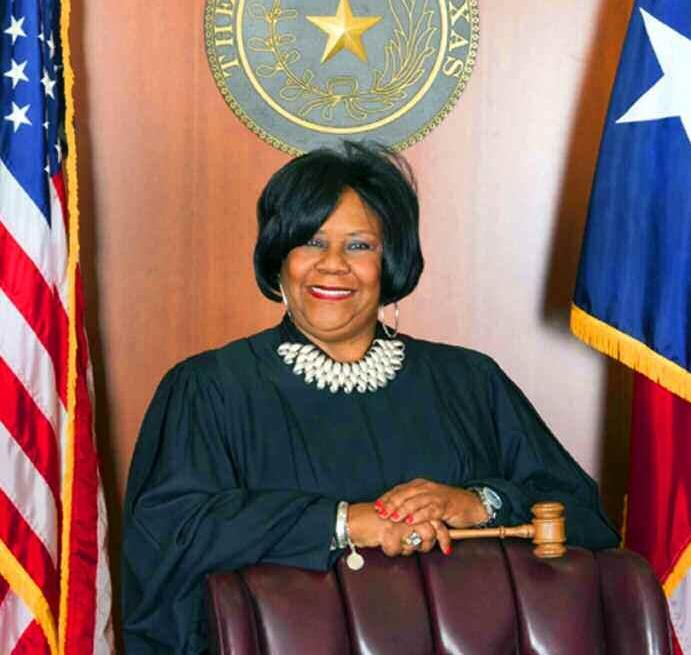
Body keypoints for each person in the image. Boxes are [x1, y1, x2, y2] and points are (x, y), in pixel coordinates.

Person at [122, 141, 619, 653]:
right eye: (310, 242)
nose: (332, 265)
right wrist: (343, 522)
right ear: (279, 259)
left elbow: (585, 515)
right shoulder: (210, 388)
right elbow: (170, 536)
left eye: (359, 245)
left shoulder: (468, 380)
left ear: (391, 262)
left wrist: (478, 503)